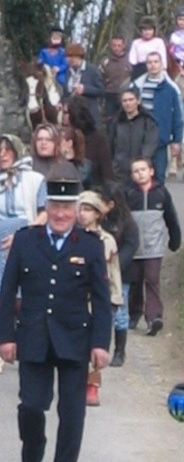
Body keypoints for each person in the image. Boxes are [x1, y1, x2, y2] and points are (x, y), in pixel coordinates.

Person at [0, 171, 112, 462]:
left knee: (72, 412)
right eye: (55, 206)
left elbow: (102, 300)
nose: (61, 214)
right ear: (47, 206)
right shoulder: (25, 240)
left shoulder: (90, 247)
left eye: (67, 207)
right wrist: (4, 336)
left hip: (75, 339)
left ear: (76, 209)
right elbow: (7, 293)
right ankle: (32, 454)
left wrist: (102, 344)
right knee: (31, 406)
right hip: (32, 337)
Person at [0, 134, 47, 373]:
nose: (4, 154)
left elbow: (44, 212)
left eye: (8, 150)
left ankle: (28, 348)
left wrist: (24, 234)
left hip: (25, 238)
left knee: (25, 297)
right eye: (0, 150)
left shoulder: (35, 180)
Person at [123, 156, 181, 336]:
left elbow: (171, 218)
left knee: (152, 280)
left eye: (143, 170)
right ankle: (134, 313)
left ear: (151, 172)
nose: (140, 174)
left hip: (154, 248)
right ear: (132, 175)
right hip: (134, 248)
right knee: (135, 282)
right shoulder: (129, 195)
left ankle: (154, 317)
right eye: (136, 171)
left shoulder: (161, 193)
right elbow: (122, 220)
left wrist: (175, 239)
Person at [76, 191, 122, 407]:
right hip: (78, 298)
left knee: (97, 343)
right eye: (80, 210)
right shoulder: (72, 238)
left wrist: (116, 297)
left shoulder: (107, 240)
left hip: (100, 299)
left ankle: (93, 386)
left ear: (97, 214)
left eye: (87, 210)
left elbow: (113, 271)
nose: (82, 214)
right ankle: (76, 382)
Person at [99, 180, 139, 368]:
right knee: (102, 311)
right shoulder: (99, 221)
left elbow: (131, 246)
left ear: (112, 203)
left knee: (120, 313)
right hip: (99, 272)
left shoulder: (127, 223)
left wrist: (115, 268)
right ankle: (102, 347)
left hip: (121, 273)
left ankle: (120, 350)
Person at [133, 50, 183, 182]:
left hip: (160, 139)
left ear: (161, 64)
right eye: (149, 62)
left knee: (159, 176)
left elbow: (177, 117)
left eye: (156, 62)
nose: (153, 65)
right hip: (140, 138)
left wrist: (176, 140)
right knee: (139, 177)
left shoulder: (170, 89)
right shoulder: (137, 87)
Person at [108, 86, 158, 184]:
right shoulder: (117, 122)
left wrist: (141, 165)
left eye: (131, 100)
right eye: (125, 101)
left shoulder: (148, 121)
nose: (128, 103)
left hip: (140, 172)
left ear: (138, 101)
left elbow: (150, 145)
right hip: (119, 172)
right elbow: (111, 146)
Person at [65, 95, 114, 187]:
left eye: (66, 112)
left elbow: (107, 172)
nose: (62, 115)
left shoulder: (97, 137)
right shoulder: (61, 136)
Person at [63, 42, 105, 125]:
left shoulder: (92, 70)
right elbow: (66, 93)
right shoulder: (67, 71)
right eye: (67, 57)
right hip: (72, 116)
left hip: (89, 115)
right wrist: (61, 102)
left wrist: (85, 89)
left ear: (80, 57)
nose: (69, 59)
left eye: (72, 57)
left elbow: (101, 90)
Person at [99, 34, 132, 124]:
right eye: (114, 46)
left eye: (119, 46)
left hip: (126, 96)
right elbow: (100, 79)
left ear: (123, 45)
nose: (116, 48)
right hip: (110, 96)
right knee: (110, 122)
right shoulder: (105, 61)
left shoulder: (130, 60)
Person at [167, 7, 184, 96]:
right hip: (177, 65)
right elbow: (171, 51)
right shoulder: (174, 36)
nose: (182, 22)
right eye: (180, 19)